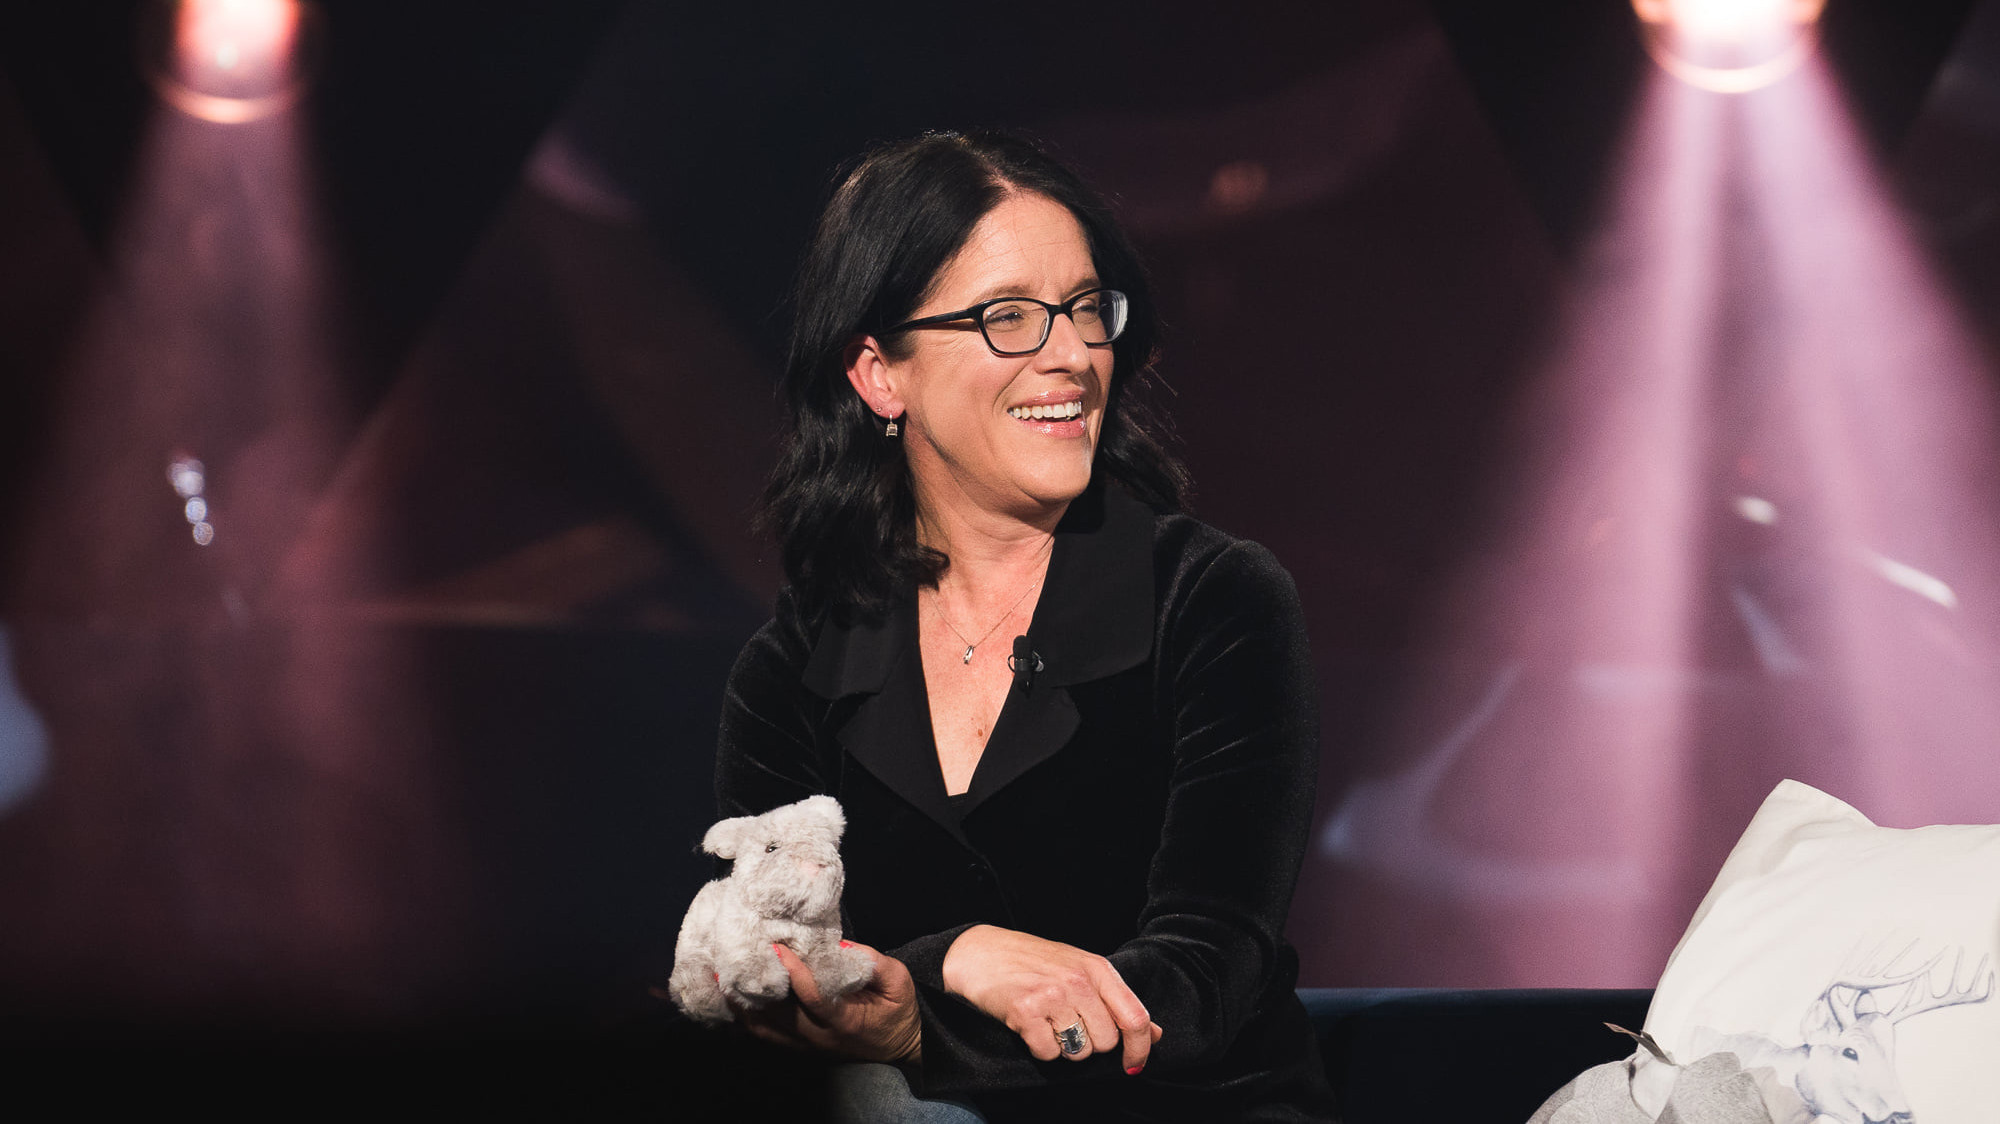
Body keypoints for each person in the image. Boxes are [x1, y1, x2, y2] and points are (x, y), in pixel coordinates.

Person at [711, 130, 1336, 1122]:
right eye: (1007, 316)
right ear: (879, 374)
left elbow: (1203, 976)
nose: (1071, 355)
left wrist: (922, 1019)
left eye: (1086, 310)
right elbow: (760, 967)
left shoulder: (1213, 599)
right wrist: (957, 955)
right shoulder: (793, 667)